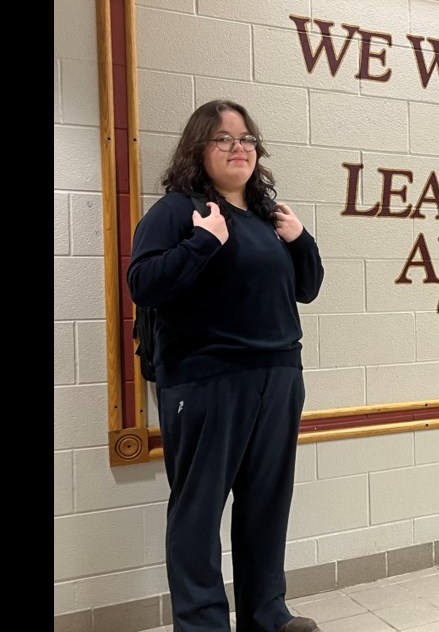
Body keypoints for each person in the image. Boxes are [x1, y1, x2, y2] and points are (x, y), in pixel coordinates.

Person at [128, 99, 324, 632]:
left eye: (246, 139)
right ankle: (203, 623)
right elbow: (143, 283)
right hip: (206, 380)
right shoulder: (178, 210)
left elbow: (306, 288)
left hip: (279, 377)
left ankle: (266, 615)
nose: (238, 148)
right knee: (198, 509)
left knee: (266, 503)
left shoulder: (266, 217)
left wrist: (299, 239)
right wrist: (202, 243)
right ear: (199, 148)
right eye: (223, 139)